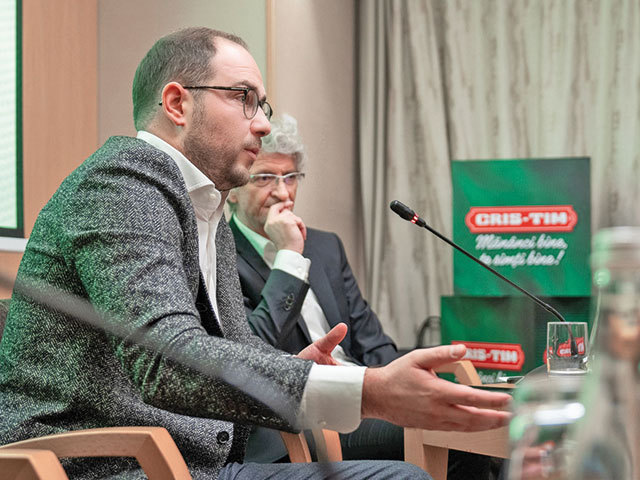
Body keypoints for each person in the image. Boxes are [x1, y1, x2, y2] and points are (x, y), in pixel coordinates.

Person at [0, 27, 510, 480]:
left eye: (261, 105)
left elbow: (237, 346)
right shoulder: (120, 185)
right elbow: (166, 359)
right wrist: (368, 390)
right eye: (244, 98)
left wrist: (292, 366)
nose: (262, 125)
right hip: (108, 465)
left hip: (188, 461)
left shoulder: (205, 208)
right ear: (177, 104)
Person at [228, 114, 498, 478]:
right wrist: (288, 254)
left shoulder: (325, 246)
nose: (282, 192)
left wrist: (402, 386)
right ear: (234, 189)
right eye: (264, 178)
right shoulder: (222, 256)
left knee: (480, 421)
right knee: (458, 430)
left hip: (365, 394)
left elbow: (372, 342)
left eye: (290, 177)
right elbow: (250, 356)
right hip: (303, 416)